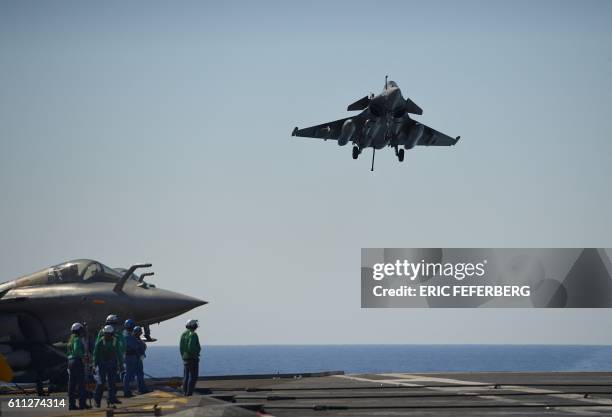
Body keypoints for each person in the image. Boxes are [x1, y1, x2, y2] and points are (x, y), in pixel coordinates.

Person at [93, 325, 122, 407]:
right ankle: (97, 401)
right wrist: (94, 365)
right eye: (106, 334)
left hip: (111, 364)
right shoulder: (100, 342)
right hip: (103, 365)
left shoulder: (114, 341)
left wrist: (120, 364)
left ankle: (110, 400)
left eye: (108, 334)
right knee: (101, 383)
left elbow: (119, 354)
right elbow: (96, 354)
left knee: (111, 383)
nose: (107, 335)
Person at [67, 323, 88, 410]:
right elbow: (77, 350)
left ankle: (71, 404)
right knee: (81, 384)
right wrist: (83, 357)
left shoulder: (70, 339)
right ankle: (82, 404)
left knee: (72, 384)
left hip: (71, 361)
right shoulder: (77, 339)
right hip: (77, 361)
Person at [124, 326, 149, 395]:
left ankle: (141, 389)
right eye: (139, 332)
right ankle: (127, 391)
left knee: (140, 374)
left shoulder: (135, 339)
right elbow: (137, 347)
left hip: (137, 358)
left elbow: (143, 347)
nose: (139, 334)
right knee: (128, 375)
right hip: (131, 358)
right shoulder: (129, 339)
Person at [180, 319, 201, 396]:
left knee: (186, 377)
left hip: (185, 358)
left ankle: (185, 392)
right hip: (192, 359)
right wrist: (195, 354)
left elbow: (181, 347)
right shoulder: (193, 334)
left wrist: (183, 356)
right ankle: (189, 394)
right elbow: (191, 347)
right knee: (193, 377)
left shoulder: (184, 334)